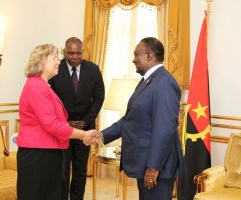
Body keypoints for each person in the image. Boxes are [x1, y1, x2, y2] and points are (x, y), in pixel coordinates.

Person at [100, 37, 185, 200]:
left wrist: (153, 167)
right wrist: (103, 135)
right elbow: (131, 118)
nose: (133, 60)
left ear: (148, 56)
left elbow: (164, 129)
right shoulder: (147, 81)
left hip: (157, 168)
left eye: (136, 55)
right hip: (146, 163)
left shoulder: (164, 82)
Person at [17, 44, 99, 200]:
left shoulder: (42, 85)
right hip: (38, 156)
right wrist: (83, 135)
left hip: (47, 153)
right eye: (54, 58)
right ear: (41, 62)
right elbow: (51, 124)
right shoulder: (36, 86)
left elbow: (55, 122)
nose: (58, 62)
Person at [48, 37, 105, 200]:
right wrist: (63, 121)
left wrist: (86, 120)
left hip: (84, 130)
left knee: (80, 172)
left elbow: (99, 97)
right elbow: (50, 99)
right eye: (70, 53)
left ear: (82, 52)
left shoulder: (93, 69)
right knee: (62, 172)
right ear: (64, 52)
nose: (74, 57)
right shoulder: (55, 69)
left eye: (78, 53)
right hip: (61, 130)